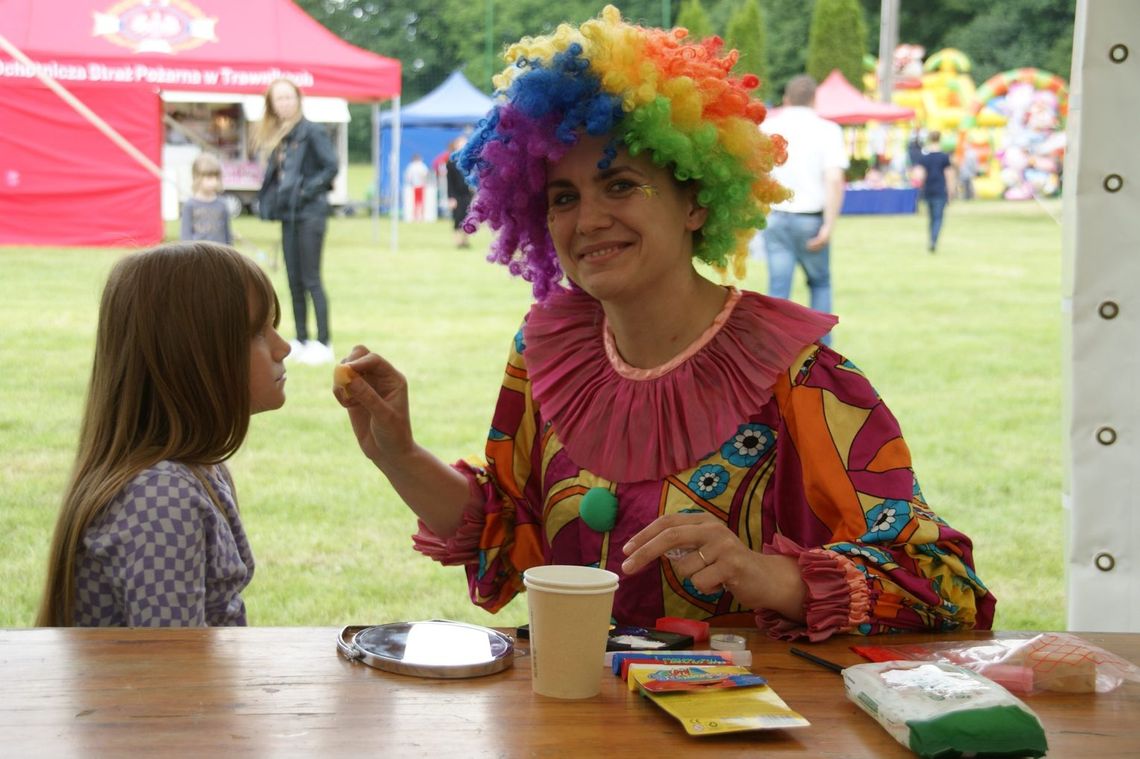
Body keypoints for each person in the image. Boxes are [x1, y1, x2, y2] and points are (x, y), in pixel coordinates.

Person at [334, 6, 995, 640]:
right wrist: (398, 454)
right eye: (563, 197)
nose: (587, 220)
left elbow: (944, 583)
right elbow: (510, 534)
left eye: (620, 184)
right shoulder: (542, 353)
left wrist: (763, 574)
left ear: (696, 203)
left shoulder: (799, 377)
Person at [37, 242, 290, 627]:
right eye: (256, 333)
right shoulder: (161, 496)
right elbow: (174, 672)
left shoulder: (201, 469)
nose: (282, 347)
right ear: (192, 357)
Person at [254, 78, 338, 365]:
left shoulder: (312, 132)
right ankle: (301, 338)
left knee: (311, 278)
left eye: (289, 97)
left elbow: (331, 166)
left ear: (298, 99)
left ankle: (324, 342)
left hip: (310, 213)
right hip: (288, 215)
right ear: (272, 105)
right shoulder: (281, 138)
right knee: (293, 280)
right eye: (279, 99)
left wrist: (305, 191)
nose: (285, 103)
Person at [761, 75, 848, 344]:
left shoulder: (768, 125)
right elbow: (834, 179)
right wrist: (829, 225)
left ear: (786, 99)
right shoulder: (828, 129)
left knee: (778, 290)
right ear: (814, 99)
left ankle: (774, 349)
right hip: (810, 218)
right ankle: (823, 353)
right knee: (819, 283)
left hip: (775, 217)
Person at [913, 130, 957, 253]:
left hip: (928, 189)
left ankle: (931, 239)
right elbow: (949, 176)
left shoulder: (924, 158)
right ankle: (934, 240)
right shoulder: (944, 157)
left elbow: (919, 175)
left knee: (931, 218)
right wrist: (951, 191)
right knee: (938, 218)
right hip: (940, 190)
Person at [181, 152, 233, 245]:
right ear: (197, 178)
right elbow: (185, 236)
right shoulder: (190, 205)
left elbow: (227, 234)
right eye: (209, 177)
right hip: (198, 255)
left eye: (216, 177)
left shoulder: (222, 204)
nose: (214, 181)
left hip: (219, 254)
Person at [445, 136, 474, 248]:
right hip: (457, 195)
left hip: (468, 194)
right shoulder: (451, 162)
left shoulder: (470, 160)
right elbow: (449, 183)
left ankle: (465, 241)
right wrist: (451, 198)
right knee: (457, 218)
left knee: (468, 218)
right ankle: (457, 241)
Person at [403, 154, 430, 221]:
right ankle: (421, 216)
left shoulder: (411, 166)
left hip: (414, 185)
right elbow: (425, 175)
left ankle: (416, 216)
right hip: (421, 185)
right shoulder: (422, 166)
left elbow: (408, 176)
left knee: (415, 202)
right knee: (421, 202)